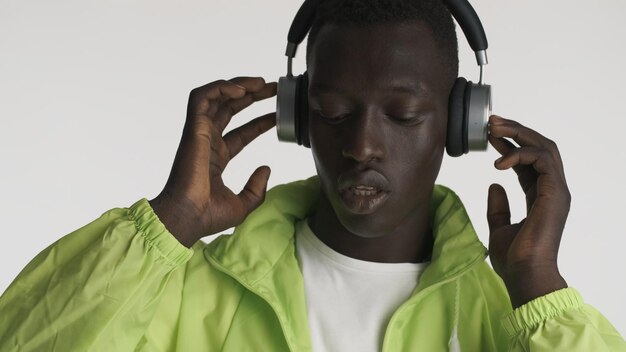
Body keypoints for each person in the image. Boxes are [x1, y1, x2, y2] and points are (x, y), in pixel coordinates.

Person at [0, 0, 624, 351]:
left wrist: (538, 286)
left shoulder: (510, 320)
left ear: (461, 124)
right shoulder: (187, 294)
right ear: (297, 117)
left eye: (403, 115)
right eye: (332, 112)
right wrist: (171, 221)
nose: (362, 146)